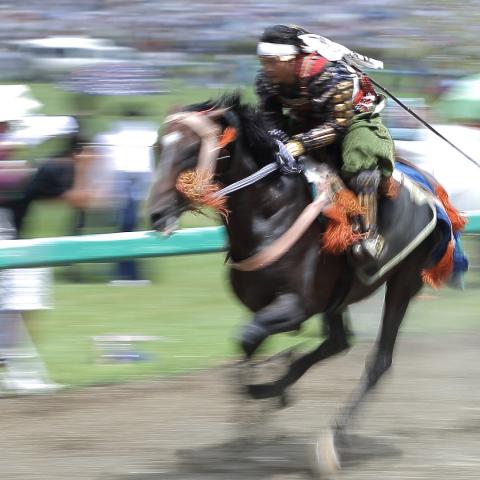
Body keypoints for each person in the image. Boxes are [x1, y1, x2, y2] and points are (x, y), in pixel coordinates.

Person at [255, 24, 395, 261]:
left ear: (291, 59)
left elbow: (338, 124)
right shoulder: (266, 81)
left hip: (353, 118)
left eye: (273, 62)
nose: (267, 68)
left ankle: (369, 235)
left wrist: (300, 144)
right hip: (304, 121)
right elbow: (271, 119)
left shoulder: (331, 74)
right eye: (263, 62)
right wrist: (279, 140)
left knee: (361, 169)